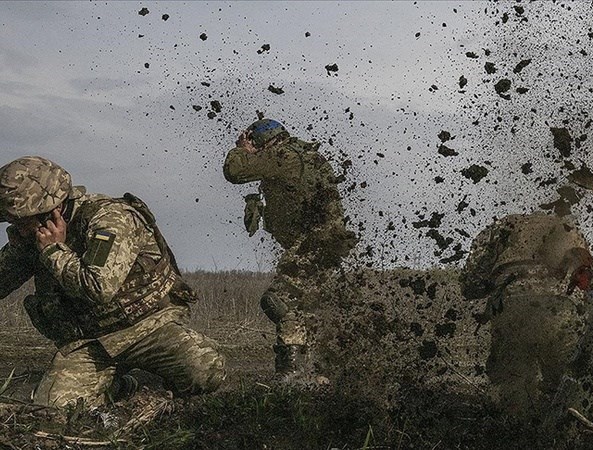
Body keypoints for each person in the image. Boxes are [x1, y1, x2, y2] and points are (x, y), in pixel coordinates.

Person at [0, 156, 225, 407]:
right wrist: (19, 251)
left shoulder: (110, 218)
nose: (16, 228)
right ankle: (124, 385)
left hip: (147, 328)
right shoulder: (34, 235)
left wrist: (54, 252)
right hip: (91, 343)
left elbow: (99, 287)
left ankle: (147, 379)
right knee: (55, 407)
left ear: (50, 211)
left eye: (20, 221)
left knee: (206, 370)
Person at [223, 118, 357, 378]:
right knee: (306, 306)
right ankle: (325, 369)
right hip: (323, 246)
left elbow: (235, 171)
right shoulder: (306, 156)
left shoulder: (282, 156)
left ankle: (293, 373)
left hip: (314, 247)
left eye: (255, 143)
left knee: (280, 300)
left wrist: (241, 149)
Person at [460, 212, 593, 418]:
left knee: (512, 387)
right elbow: (591, 285)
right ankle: (569, 431)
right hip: (561, 309)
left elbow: (470, 283)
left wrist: (492, 284)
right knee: (569, 384)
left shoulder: (504, 226)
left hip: (512, 303)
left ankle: (517, 431)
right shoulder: (569, 227)